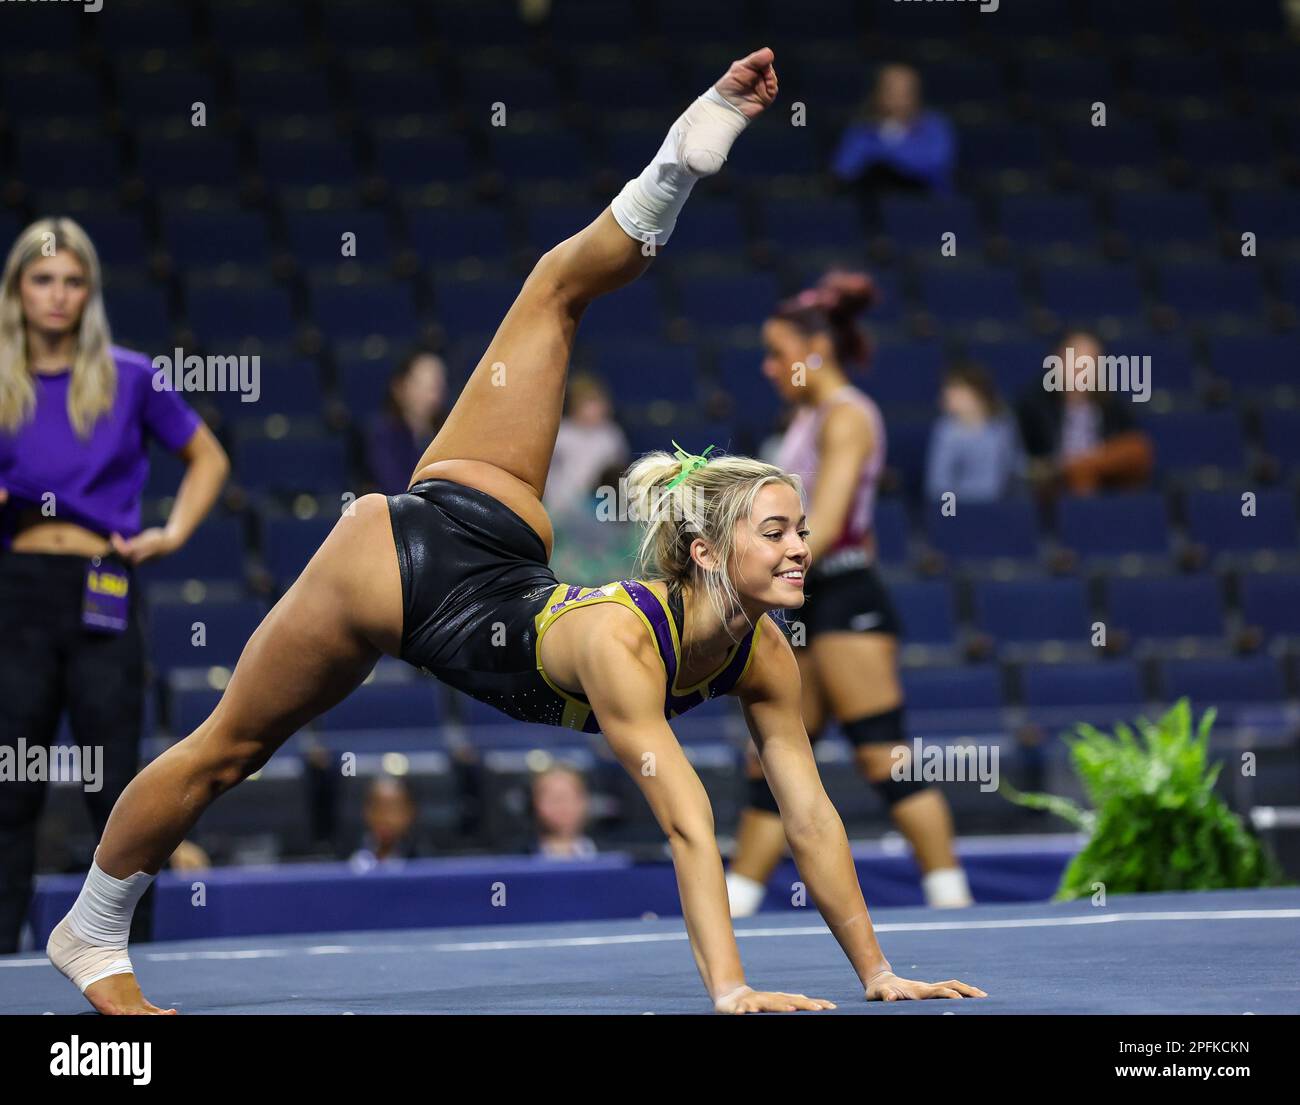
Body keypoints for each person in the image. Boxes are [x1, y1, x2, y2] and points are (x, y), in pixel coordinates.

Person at [47, 48, 985, 1015]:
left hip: (498, 544)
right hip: (401, 570)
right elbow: (687, 825)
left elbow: (813, 813)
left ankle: (673, 166)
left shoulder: (766, 654)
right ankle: (91, 929)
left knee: (551, 292)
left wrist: (877, 972)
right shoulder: (629, 647)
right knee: (228, 751)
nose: (802, 548)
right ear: (708, 550)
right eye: (780, 530)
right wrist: (732, 989)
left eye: (801, 531)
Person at [0, 218, 229, 954]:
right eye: (42, 280)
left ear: (89, 291)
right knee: (10, 789)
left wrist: (171, 532)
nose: (57, 295)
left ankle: (122, 958)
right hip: (17, 587)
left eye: (72, 281)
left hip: (104, 580)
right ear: (17, 290)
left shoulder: (129, 374)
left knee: (119, 790)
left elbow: (208, 458)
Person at [725, 269, 974, 918]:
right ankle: (734, 906)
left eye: (777, 353)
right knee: (772, 761)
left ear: (816, 352)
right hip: (798, 598)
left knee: (882, 755)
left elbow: (826, 526)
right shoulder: (801, 421)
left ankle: (954, 899)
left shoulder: (849, 416)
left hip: (842, 595)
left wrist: (741, 564)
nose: (768, 366)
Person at [1017, 329, 1154, 498]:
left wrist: (1086, 464)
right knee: (1079, 473)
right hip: (1056, 483)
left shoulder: (1111, 404)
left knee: (1136, 448)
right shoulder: (1033, 404)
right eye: (1075, 358)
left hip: (1102, 480)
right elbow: (1026, 460)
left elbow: (1131, 448)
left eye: (1091, 360)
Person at [831, 64, 956, 195]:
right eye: (891, 90)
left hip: (927, 204)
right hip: (875, 203)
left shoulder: (935, 126)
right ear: (877, 93)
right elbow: (844, 170)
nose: (899, 98)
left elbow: (936, 165)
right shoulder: (861, 129)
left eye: (906, 90)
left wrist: (888, 148)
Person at [925, 364, 1025, 503]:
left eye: (956, 390)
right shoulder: (945, 431)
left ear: (976, 393)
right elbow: (938, 486)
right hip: (961, 509)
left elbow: (1016, 468)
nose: (948, 395)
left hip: (1001, 508)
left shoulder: (1004, 424)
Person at [541, 373, 629, 522]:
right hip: (562, 506)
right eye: (588, 404)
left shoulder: (610, 436)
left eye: (597, 403)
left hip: (598, 506)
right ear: (575, 405)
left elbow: (616, 475)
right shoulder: (562, 433)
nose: (594, 409)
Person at [362, 347, 448, 494]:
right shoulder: (384, 436)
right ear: (400, 387)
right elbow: (394, 487)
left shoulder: (448, 433)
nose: (432, 394)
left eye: (436, 386)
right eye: (423, 385)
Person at [349, 776, 420, 871]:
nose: (384, 818)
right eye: (377, 809)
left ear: (410, 813)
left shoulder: (425, 860)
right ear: (366, 812)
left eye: (393, 809)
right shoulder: (347, 857)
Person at [530, 764, 598, 859]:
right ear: (536, 803)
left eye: (568, 797)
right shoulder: (514, 860)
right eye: (554, 799)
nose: (562, 806)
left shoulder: (617, 857)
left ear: (584, 800)